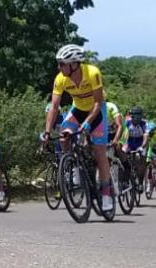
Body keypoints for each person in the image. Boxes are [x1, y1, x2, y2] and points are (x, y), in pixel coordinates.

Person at [43, 44, 113, 211]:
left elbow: (97, 103)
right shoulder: (60, 78)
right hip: (78, 109)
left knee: (99, 151)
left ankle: (106, 193)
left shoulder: (92, 73)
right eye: (58, 64)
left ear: (73, 64)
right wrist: (46, 131)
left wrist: (87, 123)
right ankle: (72, 164)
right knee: (64, 135)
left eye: (62, 64)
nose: (59, 67)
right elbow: (54, 107)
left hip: (97, 111)